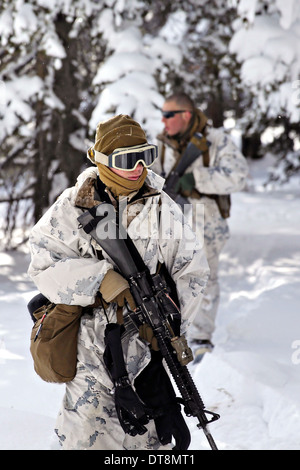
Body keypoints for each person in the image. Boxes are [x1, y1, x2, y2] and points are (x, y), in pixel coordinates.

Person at [27, 114, 209, 450]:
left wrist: (172, 327)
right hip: (91, 347)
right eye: (127, 159)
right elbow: (42, 265)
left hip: (147, 346)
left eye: (146, 155)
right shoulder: (73, 205)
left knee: (150, 437)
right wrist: (101, 279)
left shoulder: (161, 206)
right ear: (101, 161)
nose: (139, 167)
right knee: (87, 434)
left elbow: (191, 272)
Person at [153, 92, 248, 361]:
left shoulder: (216, 141)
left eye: (169, 114)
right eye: (162, 114)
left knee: (203, 278)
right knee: (167, 277)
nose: (164, 120)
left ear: (186, 115)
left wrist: (197, 178)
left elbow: (238, 176)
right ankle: (172, 333)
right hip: (171, 221)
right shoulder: (160, 144)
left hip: (206, 221)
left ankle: (201, 337)